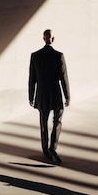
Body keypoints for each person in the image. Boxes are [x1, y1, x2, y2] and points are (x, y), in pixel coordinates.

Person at [28, 29, 70, 163]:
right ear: (53, 39)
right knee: (57, 121)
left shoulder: (35, 56)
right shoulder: (58, 56)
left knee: (43, 122)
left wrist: (31, 96)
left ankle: (45, 149)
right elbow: (64, 78)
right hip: (56, 93)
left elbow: (32, 79)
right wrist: (67, 95)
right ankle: (53, 147)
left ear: (43, 39)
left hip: (42, 94)